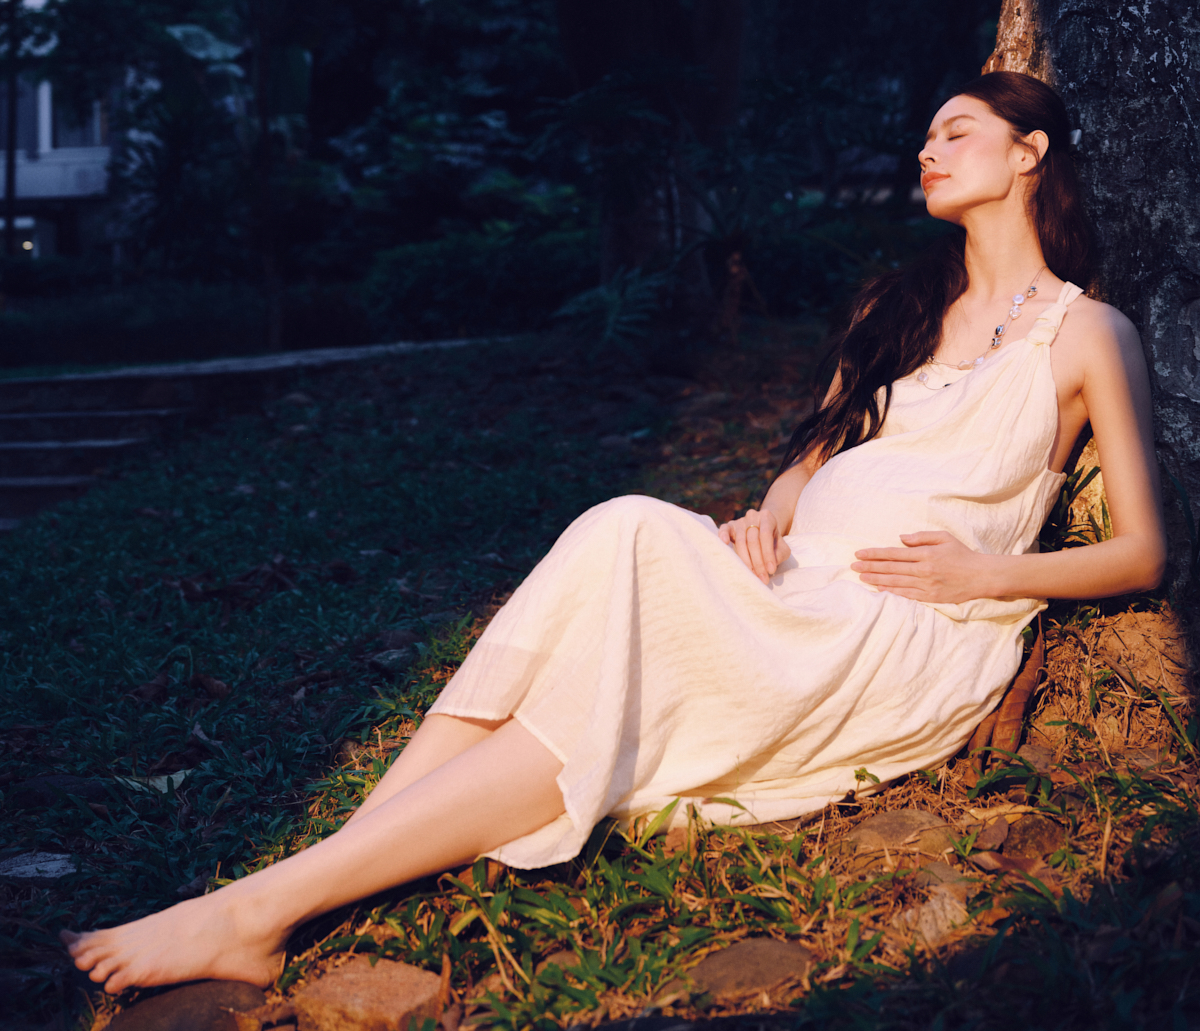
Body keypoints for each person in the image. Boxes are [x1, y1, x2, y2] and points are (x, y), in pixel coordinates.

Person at [65, 71, 1165, 994]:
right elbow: (818, 459)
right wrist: (767, 514)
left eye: (955, 131)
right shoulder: (897, 309)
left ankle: (266, 903)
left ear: (1030, 152)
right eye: (926, 135)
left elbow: (1145, 553)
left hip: (902, 626)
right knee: (622, 532)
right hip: (796, 582)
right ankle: (297, 889)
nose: (926, 150)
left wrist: (985, 572)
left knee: (626, 551)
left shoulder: (1088, 334)